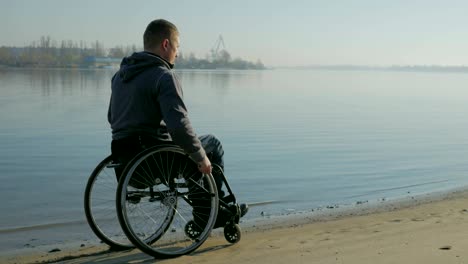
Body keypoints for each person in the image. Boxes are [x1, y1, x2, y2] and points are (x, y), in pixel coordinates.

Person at [107, 19, 247, 226]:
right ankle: (212, 211)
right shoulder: (164, 76)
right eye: (177, 46)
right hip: (157, 160)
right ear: (166, 45)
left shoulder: (119, 77)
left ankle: (208, 208)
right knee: (211, 145)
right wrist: (201, 157)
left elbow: (112, 118)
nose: (178, 53)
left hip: (127, 163)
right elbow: (178, 125)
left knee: (189, 148)